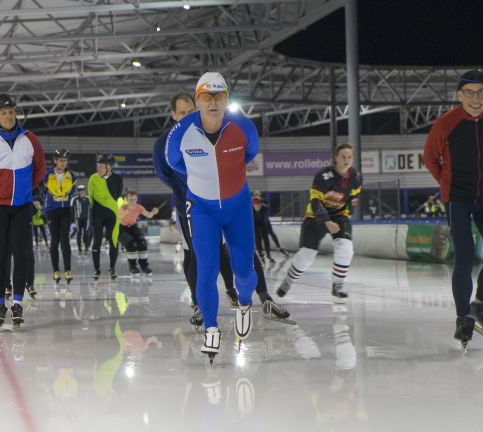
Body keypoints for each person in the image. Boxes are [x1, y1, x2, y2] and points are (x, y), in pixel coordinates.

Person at [154, 92, 287, 329]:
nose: (188, 116)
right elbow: (166, 174)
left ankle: (261, 297)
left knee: (239, 250)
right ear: (173, 115)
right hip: (192, 207)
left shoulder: (216, 130)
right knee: (195, 255)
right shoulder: (166, 142)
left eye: (190, 111)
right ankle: (198, 305)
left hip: (227, 202)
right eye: (182, 113)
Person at [165, 72, 259, 361]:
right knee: (206, 268)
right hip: (203, 208)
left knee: (243, 270)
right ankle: (212, 328)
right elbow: (174, 161)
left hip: (238, 205)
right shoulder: (181, 132)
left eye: (220, 96)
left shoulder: (244, 127)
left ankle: (244, 304)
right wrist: (204, 178)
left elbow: (249, 153)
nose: (214, 102)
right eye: (207, 96)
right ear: (198, 101)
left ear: (227, 99)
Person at [422, 70, 483, 348]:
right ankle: (463, 317)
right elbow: (429, 157)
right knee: (465, 258)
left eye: (481, 92)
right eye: (468, 93)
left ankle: (480, 305)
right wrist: (446, 183)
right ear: (459, 96)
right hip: (456, 198)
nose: (475, 98)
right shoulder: (445, 124)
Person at [0, 93, 46, 330]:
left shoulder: (30, 139)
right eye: (4, 112)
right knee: (0, 254)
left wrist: (24, 190)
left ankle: (17, 303)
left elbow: (39, 170)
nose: (9, 115)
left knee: (21, 254)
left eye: (12, 111)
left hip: (23, 205)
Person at [276, 143, 361, 304]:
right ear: (336, 158)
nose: (346, 160)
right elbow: (315, 202)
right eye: (343, 156)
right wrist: (326, 221)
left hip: (339, 215)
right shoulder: (323, 176)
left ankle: (338, 286)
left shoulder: (356, 177)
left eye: (349, 157)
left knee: (346, 249)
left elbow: (353, 199)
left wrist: (346, 216)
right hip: (315, 216)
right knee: (306, 255)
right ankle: (288, 281)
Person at [42, 149, 77, 284]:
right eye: (61, 160)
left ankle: (67, 270)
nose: (63, 163)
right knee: (55, 240)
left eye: (65, 160)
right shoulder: (47, 175)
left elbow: (71, 192)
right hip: (51, 210)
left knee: (65, 240)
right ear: (55, 161)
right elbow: (43, 192)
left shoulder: (71, 175)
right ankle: (56, 270)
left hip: (65, 210)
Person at [88, 154, 123, 282]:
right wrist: (96, 210)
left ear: (109, 167)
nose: (98, 169)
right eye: (97, 166)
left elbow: (118, 194)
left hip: (112, 214)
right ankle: (96, 269)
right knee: (96, 241)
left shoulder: (118, 179)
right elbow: (90, 196)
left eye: (101, 166)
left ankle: (112, 268)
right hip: (97, 213)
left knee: (113, 241)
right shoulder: (93, 178)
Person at [118, 191, 158, 275]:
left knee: (142, 243)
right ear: (127, 199)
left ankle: (144, 266)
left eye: (134, 199)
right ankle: (133, 266)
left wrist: (153, 212)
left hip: (133, 227)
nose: (132, 201)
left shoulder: (138, 207)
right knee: (132, 245)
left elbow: (148, 215)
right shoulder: (122, 207)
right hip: (122, 229)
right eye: (131, 199)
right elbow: (119, 216)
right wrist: (127, 211)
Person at [252, 192, 275, 263]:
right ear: (253, 205)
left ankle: (268, 254)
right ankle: (260, 254)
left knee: (265, 237)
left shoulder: (264, 208)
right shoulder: (250, 209)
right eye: (256, 206)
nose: (258, 207)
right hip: (254, 223)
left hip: (262, 221)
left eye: (259, 206)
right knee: (257, 236)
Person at [71, 185, 91, 256]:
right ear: (78, 192)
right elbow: (71, 209)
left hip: (86, 219)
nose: (82, 193)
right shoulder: (75, 199)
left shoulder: (88, 198)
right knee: (79, 233)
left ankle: (86, 248)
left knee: (86, 233)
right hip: (78, 219)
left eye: (83, 191)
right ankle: (79, 248)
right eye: (81, 191)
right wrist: (75, 216)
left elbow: (92, 208)